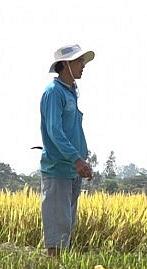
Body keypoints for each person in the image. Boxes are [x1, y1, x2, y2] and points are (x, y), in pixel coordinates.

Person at [39, 44, 95, 257]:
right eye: (79, 61)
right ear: (65, 65)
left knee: (67, 224)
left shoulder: (70, 93)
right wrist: (76, 159)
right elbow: (55, 130)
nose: (83, 66)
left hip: (72, 169)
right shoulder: (53, 93)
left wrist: (81, 161)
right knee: (57, 226)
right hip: (58, 168)